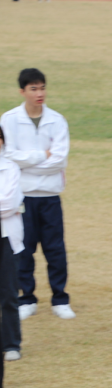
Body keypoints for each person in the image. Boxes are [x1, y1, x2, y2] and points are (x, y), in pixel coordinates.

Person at [1, 69, 74, 322]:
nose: (39, 93)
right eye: (33, 89)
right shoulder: (9, 120)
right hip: (22, 197)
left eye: (42, 87)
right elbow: (6, 156)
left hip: (50, 195)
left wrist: (28, 161)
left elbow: (60, 160)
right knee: (24, 248)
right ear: (22, 91)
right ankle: (27, 298)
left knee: (55, 249)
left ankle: (60, 299)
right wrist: (41, 155)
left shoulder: (57, 120)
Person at [0, 126, 24, 363]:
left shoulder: (11, 168)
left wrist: (6, 207)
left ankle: (11, 343)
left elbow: (9, 203)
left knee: (7, 293)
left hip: (6, 238)